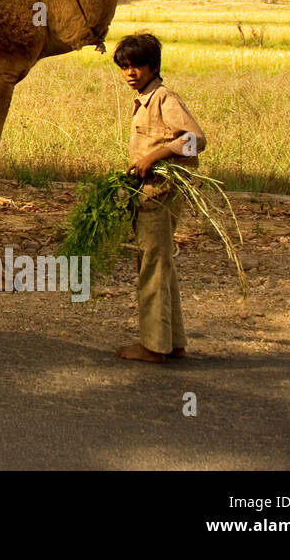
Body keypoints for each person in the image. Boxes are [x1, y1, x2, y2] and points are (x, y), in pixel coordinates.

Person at [112, 33, 207, 364]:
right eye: (124, 67)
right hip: (149, 193)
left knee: (150, 265)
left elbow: (196, 140)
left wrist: (154, 156)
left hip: (159, 194)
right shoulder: (143, 100)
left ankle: (153, 347)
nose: (130, 73)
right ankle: (173, 341)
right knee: (161, 264)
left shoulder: (165, 98)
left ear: (153, 66)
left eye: (137, 65)